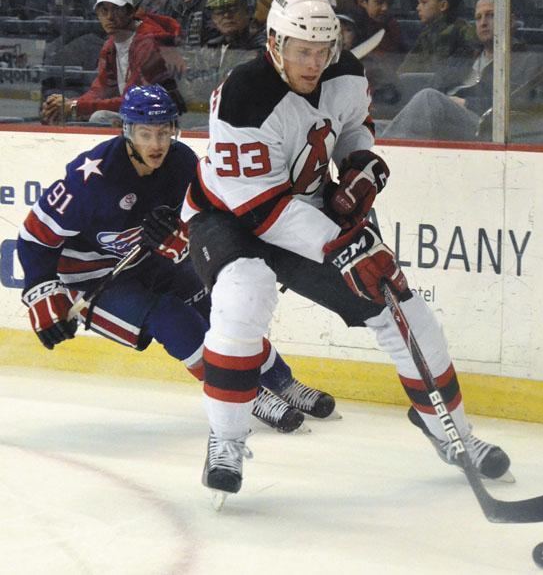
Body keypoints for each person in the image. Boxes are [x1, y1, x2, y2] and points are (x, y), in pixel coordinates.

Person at [180, 0, 512, 501]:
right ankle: (225, 438)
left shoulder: (346, 73)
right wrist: (344, 246)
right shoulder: (244, 97)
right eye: (302, 51)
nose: (313, 63)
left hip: (304, 211)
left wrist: (360, 166)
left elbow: (355, 127)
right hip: (227, 216)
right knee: (243, 296)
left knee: (401, 307)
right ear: (274, 43)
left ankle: (453, 432)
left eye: (322, 51)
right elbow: (261, 211)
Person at [18, 85, 336, 434]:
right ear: (127, 132)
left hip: (142, 261)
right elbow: (35, 237)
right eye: (145, 134)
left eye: (163, 132)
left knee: (221, 308)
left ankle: (281, 382)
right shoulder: (91, 179)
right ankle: (243, 392)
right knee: (171, 317)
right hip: (88, 279)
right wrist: (40, 289)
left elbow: (207, 216)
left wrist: (182, 231)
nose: (156, 144)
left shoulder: (183, 162)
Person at [382, 0, 539, 141]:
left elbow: (518, 105)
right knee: (375, 126)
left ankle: (382, 163)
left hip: (486, 127)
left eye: (491, 15)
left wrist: (466, 103)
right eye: (478, 18)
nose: (483, 22)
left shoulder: (525, 61)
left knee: (429, 98)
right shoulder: (464, 58)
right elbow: (436, 86)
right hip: (445, 120)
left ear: (510, 21)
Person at [41, 0, 185, 125]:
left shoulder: (149, 43)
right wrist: (67, 104)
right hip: (135, 112)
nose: (109, 17)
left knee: (100, 117)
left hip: (161, 116)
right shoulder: (110, 45)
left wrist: (75, 107)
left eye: (116, 10)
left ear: (130, 12)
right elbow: (100, 90)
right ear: (97, 14)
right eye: (104, 10)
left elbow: (136, 99)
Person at [177, 0, 265, 109]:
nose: (226, 16)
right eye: (219, 12)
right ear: (213, 19)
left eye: (233, 9)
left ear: (248, 11)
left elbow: (234, 82)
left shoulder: (261, 45)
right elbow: (190, 84)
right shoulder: (211, 46)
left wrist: (205, 84)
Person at [397, 0, 475, 76]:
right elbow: (406, 69)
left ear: (443, 6)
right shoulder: (426, 34)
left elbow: (456, 71)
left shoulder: (462, 31)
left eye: (424, 2)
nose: (418, 8)